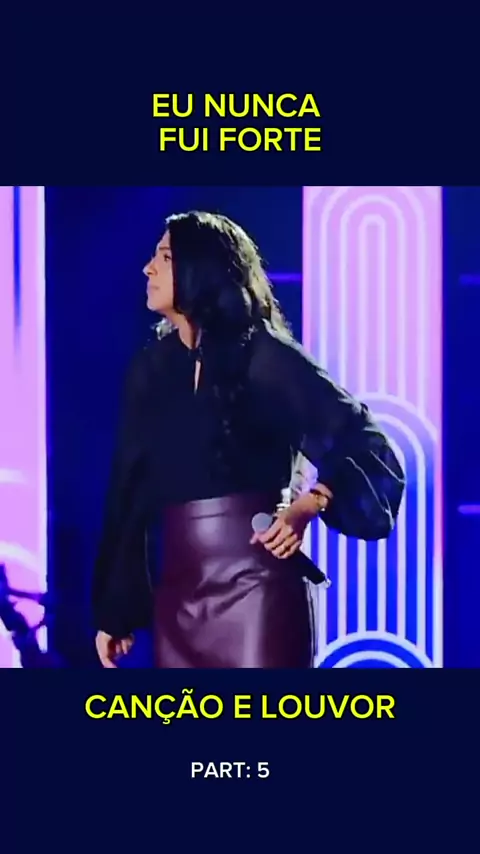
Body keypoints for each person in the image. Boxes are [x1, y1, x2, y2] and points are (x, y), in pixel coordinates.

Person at [92, 210, 405, 669]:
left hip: (258, 590)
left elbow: (367, 444)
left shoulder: (263, 356)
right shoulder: (150, 370)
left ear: (202, 269)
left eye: (165, 257)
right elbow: (128, 492)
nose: (148, 268)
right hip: (178, 598)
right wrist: (115, 613)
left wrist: (311, 502)